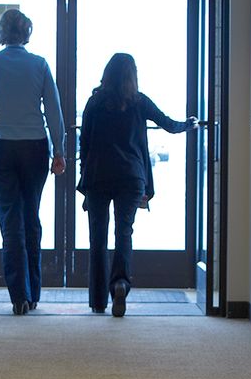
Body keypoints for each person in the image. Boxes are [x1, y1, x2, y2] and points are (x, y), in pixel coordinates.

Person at [0, 9, 65, 315]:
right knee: (31, 217)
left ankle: (19, 296)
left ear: (1, 33)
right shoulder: (40, 64)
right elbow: (54, 112)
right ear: (27, 33)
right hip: (33, 147)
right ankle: (34, 294)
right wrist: (59, 152)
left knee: (10, 221)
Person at [77, 53, 196, 316]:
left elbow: (83, 144)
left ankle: (98, 300)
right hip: (131, 177)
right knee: (124, 232)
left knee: (97, 237)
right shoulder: (139, 102)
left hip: (97, 177)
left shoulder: (94, 103)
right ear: (133, 76)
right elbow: (169, 125)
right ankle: (120, 283)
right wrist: (190, 124)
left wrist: (84, 182)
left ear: (106, 74)